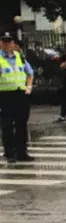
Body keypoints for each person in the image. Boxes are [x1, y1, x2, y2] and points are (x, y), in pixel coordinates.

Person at [0, 31, 34, 163]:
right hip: (5, 95)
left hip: (21, 94)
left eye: (9, 41)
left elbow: (30, 73)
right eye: (4, 41)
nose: (7, 44)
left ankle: (21, 152)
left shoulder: (20, 56)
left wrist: (29, 87)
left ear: (13, 43)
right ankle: (9, 153)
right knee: (7, 124)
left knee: (21, 124)